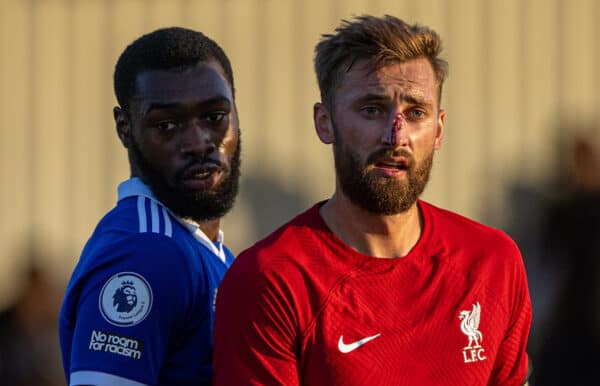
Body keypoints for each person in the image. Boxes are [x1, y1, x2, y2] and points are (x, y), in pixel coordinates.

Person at [214, 15, 532, 385]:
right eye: (372, 109)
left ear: (439, 129)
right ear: (324, 122)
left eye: (416, 113)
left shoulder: (493, 262)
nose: (395, 135)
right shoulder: (271, 280)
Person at [59, 26, 240, 386]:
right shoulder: (147, 252)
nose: (199, 142)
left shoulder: (205, 249)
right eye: (168, 125)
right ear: (125, 128)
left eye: (215, 117)